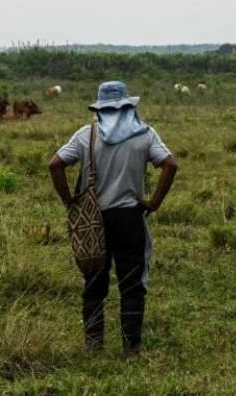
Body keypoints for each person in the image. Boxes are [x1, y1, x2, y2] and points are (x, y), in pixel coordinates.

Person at [48, 81, 178, 356]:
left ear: (99, 108)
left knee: (94, 283)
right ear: (129, 106)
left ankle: (94, 347)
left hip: (94, 221)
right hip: (131, 217)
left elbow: (55, 164)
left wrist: (70, 202)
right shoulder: (145, 134)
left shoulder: (86, 135)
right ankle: (131, 348)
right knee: (132, 283)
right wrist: (153, 202)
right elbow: (170, 164)